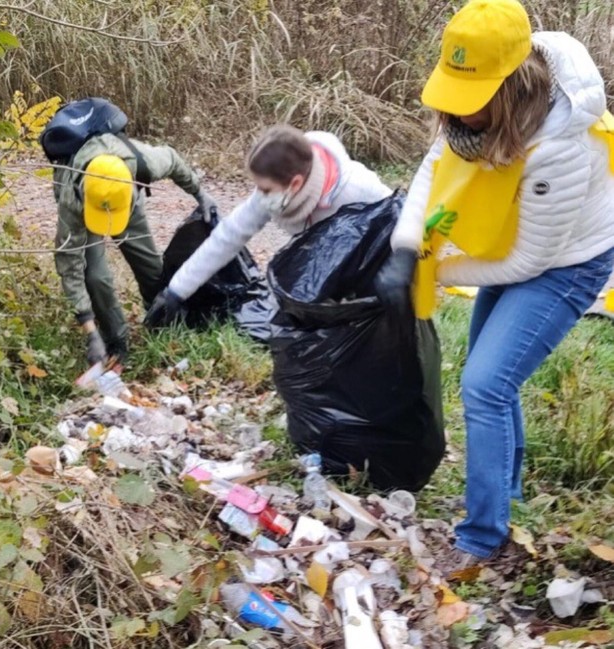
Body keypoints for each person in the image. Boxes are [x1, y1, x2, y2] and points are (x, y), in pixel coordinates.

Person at [375, 0, 614, 571]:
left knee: (484, 385)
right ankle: (507, 497)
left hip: (567, 261)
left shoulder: (562, 142)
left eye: (473, 100)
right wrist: (407, 250)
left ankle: (482, 536)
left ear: (509, 90)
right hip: (513, 246)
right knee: (490, 378)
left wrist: (433, 272)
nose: (459, 114)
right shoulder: (473, 111)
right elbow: (434, 164)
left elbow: (531, 259)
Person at [146, 125, 393, 326]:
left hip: (364, 272)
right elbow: (228, 237)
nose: (259, 196)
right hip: (316, 266)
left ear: (295, 184)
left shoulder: (359, 191)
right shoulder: (273, 194)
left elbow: (401, 226)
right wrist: (176, 291)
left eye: (265, 189)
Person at [52, 132, 217, 366]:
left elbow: (173, 159)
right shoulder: (72, 197)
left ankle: (163, 323)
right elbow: (70, 269)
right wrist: (90, 331)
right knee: (96, 277)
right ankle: (116, 341)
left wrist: (200, 194)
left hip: (126, 203)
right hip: (87, 206)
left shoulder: (143, 162)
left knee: (151, 267)